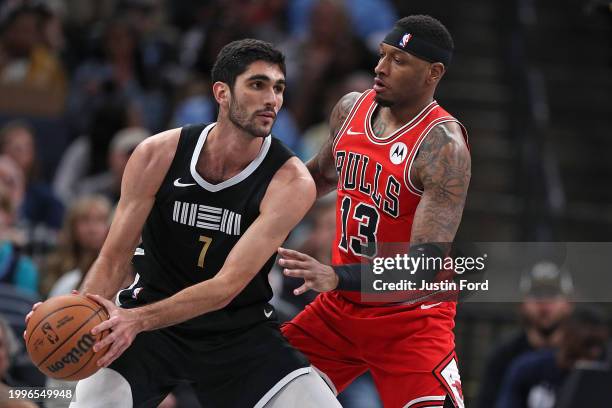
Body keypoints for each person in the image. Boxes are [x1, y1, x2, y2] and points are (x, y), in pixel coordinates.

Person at [26, 38, 340, 408]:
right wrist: (80, 311)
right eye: (258, 85)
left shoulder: (289, 181)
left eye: (279, 87)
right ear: (222, 93)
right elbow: (113, 258)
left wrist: (136, 320)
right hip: (150, 323)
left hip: (236, 331)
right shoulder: (157, 154)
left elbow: (226, 286)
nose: (272, 99)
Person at [278, 15, 471, 408]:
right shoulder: (351, 108)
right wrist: (251, 217)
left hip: (410, 318)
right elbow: (316, 176)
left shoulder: (443, 147)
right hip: (340, 309)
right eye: (382, 56)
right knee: (256, 384)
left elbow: (425, 265)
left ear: (433, 73)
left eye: (398, 60)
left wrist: (336, 275)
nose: (380, 68)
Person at [475, 261, 573, 408]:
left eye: (553, 294)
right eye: (536, 294)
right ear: (522, 303)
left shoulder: (581, 354)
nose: (544, 302)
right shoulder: (503, 357)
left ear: (569, 303)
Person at [495, 305, 609, 408]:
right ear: (566, 335)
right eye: (588, 344)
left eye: (599, 345)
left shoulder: (605, 373)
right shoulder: (529, 368)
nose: (594, 353)